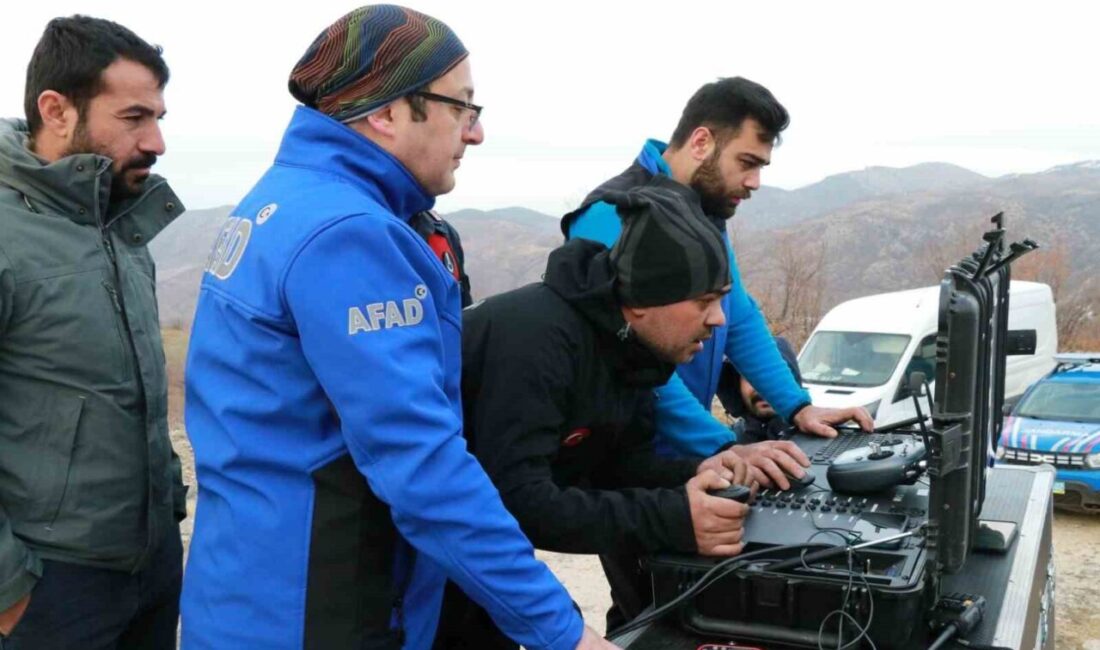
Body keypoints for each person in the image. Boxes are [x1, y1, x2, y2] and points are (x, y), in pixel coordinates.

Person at [181, 6, 611, 650]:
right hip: (319, 610)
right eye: (463, 107)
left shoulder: (286, 198)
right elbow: (421, 463)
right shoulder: (350, 236)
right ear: (386, 113)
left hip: (248, 593)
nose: (477, 132)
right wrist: (562, 630)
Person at [435, 179, 761, 646]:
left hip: (469, 548)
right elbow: (516, 501)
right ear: (645, 301)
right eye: (704, 301)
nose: (718, 320)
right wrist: (674, 517)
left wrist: (694, 473)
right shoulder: (538, 340)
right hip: (407, 543)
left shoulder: (630, 348)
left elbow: (614, 466)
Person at [562, 77, 873, 484]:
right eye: (746, 163)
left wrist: (797, 407)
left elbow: (738, 315)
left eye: (760, 167)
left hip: (693, 454)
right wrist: (722, 446)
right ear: (701, 142)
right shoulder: (611, 215)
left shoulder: (703, 211)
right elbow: (628, 357)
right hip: (635, 468)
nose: (754, 182)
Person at [0, 15, 186, 648]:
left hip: (149, 565)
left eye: (158, 117)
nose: (157, 140)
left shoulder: (119, 220)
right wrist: (6, 590)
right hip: (47, 585)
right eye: (134, 118)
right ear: (56, 109)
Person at [716, 336, 804, 444]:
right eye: (751, 378)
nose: (764, 388)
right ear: (736, 386)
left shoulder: (818, 439)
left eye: (774, 376)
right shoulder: (724, 447)